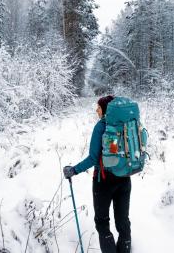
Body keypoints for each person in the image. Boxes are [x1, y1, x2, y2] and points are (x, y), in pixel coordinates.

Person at [63, 95, 132, 253]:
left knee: (102, 222)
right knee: (123, 222)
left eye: (99, 107)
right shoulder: (126, 125)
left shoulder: (101, 127)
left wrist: (74, 170)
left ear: (106, 109)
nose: (96, 110)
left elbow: (94, 158)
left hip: (104, 181)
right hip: (124, 179)